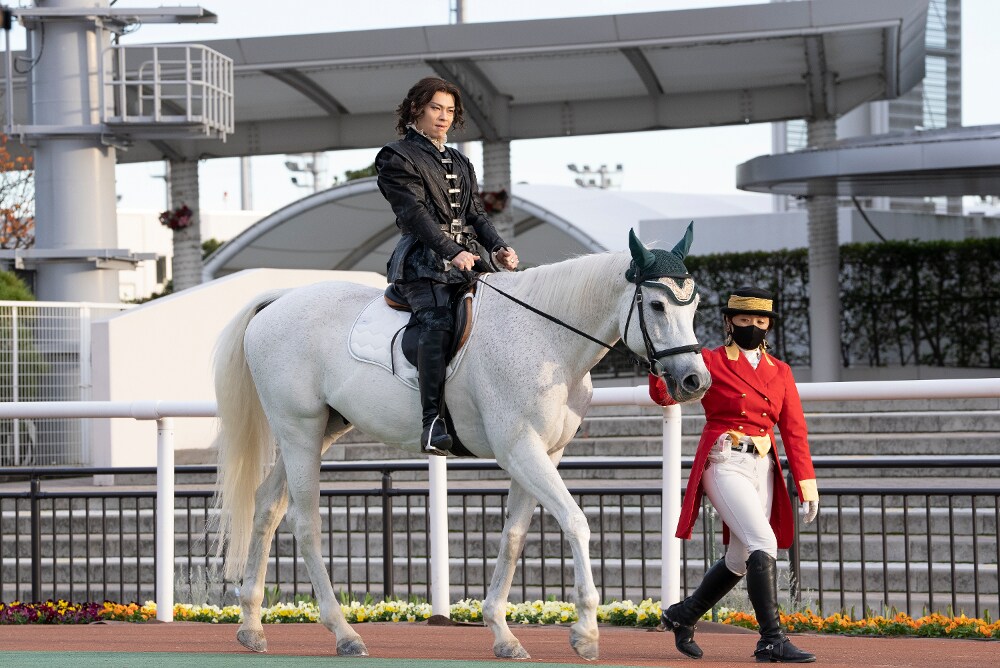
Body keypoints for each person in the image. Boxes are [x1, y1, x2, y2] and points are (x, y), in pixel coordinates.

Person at [650, 286, 819, 663]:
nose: (753, 327)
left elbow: (794, 430)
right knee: (763, 540)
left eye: (761, 321)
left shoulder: (781, 371)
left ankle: (684, 614)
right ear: (729, 322)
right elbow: (667, 395)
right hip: (724, 461)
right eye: (745, 320)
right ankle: (771, 639)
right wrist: (657, 368)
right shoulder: (709, 360)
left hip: (764, 467)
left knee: (740, 559)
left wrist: (806, 483)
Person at [375, 77, 519, 456]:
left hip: (467, 258)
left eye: (450, 110)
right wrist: (450, 249)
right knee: (437, 322)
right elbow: (414, 213)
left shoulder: (460, 161)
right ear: (416, 109)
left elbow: (475, 214)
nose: (443, 117)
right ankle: (432, 422)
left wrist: (498, 246)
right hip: (421, 261)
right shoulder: (396, 157)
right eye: (436, 108)